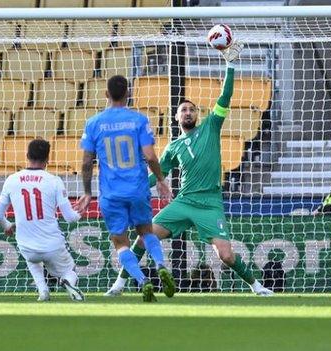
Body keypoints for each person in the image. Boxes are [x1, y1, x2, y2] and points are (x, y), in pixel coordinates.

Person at [105, 42, 274, 297]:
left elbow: (225, 97)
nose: (187, 112)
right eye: (183, 109)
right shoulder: (173, 147)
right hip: (183, 202)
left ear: (198, 115)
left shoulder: (210, 127)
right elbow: (157, 174)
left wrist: (230, 65)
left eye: (192, 109)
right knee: (143, 237)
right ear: (176, 117)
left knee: (226, 255)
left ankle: (256, 286)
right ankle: (119, 284)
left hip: (209, 203)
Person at [76, 75, 175, 302]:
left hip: (111, 194)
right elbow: (150, 155)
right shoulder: (138, 120)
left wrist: (87, 191)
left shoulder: (94, 123)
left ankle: (142, 280)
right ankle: (160, 264)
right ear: (128, 94)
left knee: (120, 242)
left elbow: (85, 162)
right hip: (138, 188)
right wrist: (160, 179)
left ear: (106, 95)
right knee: (146, 232)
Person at [0, 139, 84, 302]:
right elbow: (70, 218)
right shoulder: (54, 181)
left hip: (26, 246)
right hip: (52, 245)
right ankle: (67, 282)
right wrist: (81, 212)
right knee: (69, 270)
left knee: (32, 259)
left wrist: (7, 225)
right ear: (48, 159)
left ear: (27, 155)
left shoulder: (12, 180)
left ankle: (43, 291)